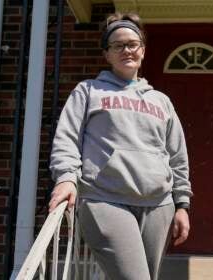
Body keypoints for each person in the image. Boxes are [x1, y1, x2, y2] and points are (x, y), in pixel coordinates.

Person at [48, 12, 193, 280]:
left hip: (159, 206)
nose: (126, 50)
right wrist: (66, 178)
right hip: (105, 200)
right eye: (117, 45)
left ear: (143, 50)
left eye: (132, 44)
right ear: (107, 54)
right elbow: (67, 138)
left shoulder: (161, 101)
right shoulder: (88, 91)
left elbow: (176, 155)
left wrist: (181, 204)